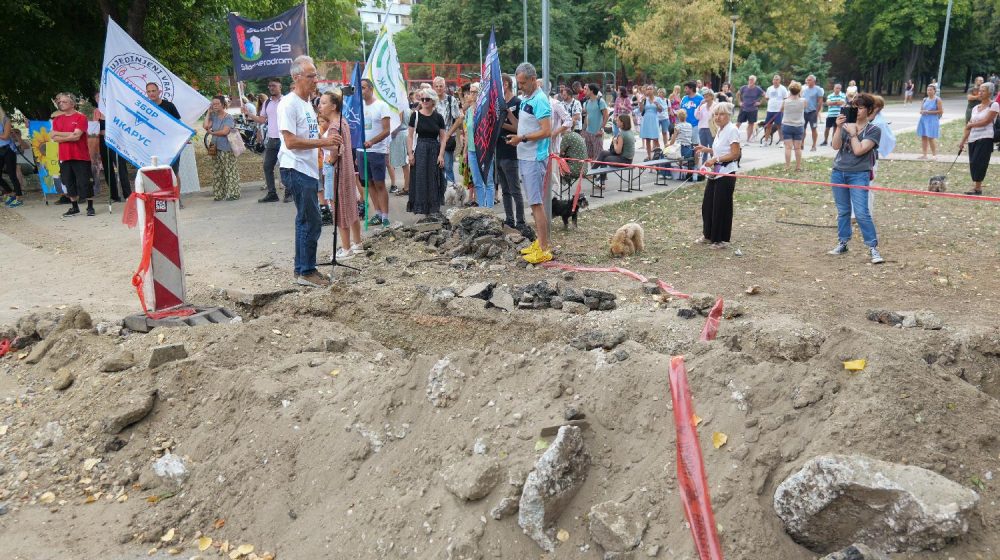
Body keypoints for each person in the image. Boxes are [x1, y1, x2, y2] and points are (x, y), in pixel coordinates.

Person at [278, 55, 339, 288]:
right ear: (296, 77)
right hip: (296, 167)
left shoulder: (306, 104)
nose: (316, 80)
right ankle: (307, 271)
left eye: (316, 75)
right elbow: (291, 141)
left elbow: (311, 137)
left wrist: (329, 143)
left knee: (305, 220)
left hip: (308, 169)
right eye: (311, 76)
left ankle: (301, 268)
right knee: (311, 221)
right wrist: (324, 143)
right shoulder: (289, 104)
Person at [828, 92, 884, 265]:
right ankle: (843, 242)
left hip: (859, 174)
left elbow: (859, 150)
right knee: (843, 211)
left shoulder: (874, 130)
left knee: (861, 212)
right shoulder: (846, 125)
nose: (856, 111)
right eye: (853, 107)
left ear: (869, 110)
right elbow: (835, 146)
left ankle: (873, 247)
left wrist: (853, 134)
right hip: (839, 172)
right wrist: (839, 128)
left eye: (860, 108)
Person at [507, 63, 553, 264]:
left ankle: (543, 248)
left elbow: (546, 131)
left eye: (523, 83)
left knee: (536, 204)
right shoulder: (527, 98)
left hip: (535, 158)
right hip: (525, 156)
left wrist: (522, 138)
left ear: (533, 79)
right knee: (533, 203)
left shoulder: (540, 100)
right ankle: (539, 242)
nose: (520, 87)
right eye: (518, 83)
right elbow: (523, 126)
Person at [317, 90, 363, 259]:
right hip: (348, 170)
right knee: (351, 207)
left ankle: (346, 248)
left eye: (323, 103)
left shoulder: (334, 127)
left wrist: (329, 158)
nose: (320, 106)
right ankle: (357, 243)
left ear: (334, 106)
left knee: (340, 209)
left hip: (339, 172)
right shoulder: (342, 121)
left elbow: (335, 150)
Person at [694, 102, 741, 249]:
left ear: (728, 115)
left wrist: (715, 159)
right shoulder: (720, 130)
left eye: (721, 114)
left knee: (721, 207)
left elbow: (735, 153)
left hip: (726, 173)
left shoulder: (732, 130)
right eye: (715, 114)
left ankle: (719, 240)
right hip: (716, 172)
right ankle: (708, 235)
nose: (717, 117)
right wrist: (707, 149)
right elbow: (720, 150)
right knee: (708, 205)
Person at [50, 93, 95, 217]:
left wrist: (60, 134)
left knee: (85, 182)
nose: (61, 104)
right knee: (68, 182)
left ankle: (90, 207)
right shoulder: (57, 119)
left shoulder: (81, 117)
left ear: (72, 104)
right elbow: (54, 137)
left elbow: (77, 136)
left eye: (64, 102)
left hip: (80, 155)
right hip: (64, 156)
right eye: (59, 102)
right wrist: (70, 135)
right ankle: (74, 207)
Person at [406, 87, 447, 219]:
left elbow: (443, 138)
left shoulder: (438, 117)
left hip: (434, 150)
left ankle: (433, 209)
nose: (424, 101)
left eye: (427, 99)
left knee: (434, 179)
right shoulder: (415, 115)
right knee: (421, 179)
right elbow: (410, 136)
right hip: (420, 150)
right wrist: (410, 154)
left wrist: (441, 155)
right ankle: (423, 209)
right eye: (422, 99)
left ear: (433, 101)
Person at [357, 78, 393, 226]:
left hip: (377, 151)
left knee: (379, 184)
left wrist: (372, 142)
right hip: (361, 151)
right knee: (369, 183)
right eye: (359, 88)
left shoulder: (381, 106)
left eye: (363, 87)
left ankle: (385, 216)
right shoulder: (358, 107)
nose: (361, 91)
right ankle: (377, 213)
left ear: (371, 89)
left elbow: (386, 130)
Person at [246, 79, 285, 203]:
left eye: (274, 85)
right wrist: (249, 114)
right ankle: (272, 193)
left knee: (286, 167)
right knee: (267, 166)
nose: (271, 88)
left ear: (280, 86)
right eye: (269, 86)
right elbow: (262, 120)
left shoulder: (286, 101)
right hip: (272, 139)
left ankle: (289, 192)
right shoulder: (267, 103)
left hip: (285, 139)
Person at [958, 82, 999, 196]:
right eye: (979, 90)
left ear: (990, 92)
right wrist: (963, 141)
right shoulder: (975, 108)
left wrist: (971, 125)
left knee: (980, 162)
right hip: (973, 138)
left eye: (983, 91)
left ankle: (977, 188)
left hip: (986, 137)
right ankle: (976, 186)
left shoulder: (994, 105)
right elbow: (968, 126)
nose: (980, 93)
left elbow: (986, 121)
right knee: (973, 162)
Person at [497, 74, 526, 232]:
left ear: (506, 84)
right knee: (505, 191)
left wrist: (501, 124)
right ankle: (509, 219)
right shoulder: (498, 103)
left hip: (511, 152)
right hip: (499, 151)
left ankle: (520, 221)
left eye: (499, 85)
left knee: (515, 190)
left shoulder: (517, 103)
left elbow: (519, 128)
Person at [202, 95, 240, 201]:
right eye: (213, 104)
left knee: (229, 170)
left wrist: (212, 133)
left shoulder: (228, 117)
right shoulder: (213, 116)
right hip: (214, 147)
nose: (215, 106)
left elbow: (225, 131)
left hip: (226, 147)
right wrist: (208, 113)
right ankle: (219, 194)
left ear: (223, 105)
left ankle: (233, 193)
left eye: (217, 103)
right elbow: (206, 126)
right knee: (217, 171)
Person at [465, 82, 496, 208]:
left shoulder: (485, 110)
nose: (472, 94)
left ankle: (490, 210)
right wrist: (465, 151)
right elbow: (467, 132)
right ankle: (482, 208)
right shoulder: (468, 111)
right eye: (471, 92)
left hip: (484, 150)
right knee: (477, 182)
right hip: (472, 150)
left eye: (475, 92)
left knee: (488, 181)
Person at [433, 77, 461, 187]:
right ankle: (438, 192)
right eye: (436, 86)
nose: (439, 88)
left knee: (448, 167)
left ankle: (451, 192)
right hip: (433, 139)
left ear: (444, 87)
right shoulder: (431, 100)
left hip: (448, 138)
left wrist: (448, 134)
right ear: (433, 87)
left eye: (441, 86)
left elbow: (458, 119)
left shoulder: (451, 100)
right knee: (435, 167)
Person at [595, 114, 635, 184]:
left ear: (622, 123)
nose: (616, 122)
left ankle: (601, 180)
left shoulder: (621, 134)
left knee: (605, 159)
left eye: (618, 121)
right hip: (628, 159)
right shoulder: (630, 132)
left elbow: (618, 151)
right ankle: (594, 171)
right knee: (603, 153)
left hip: (624, 160)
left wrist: (614, 142)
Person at [1, 104, 24, 207]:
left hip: (8, 149)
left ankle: (19, 197)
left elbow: (6, 136)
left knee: (12, 174)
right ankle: (11, 192)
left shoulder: (5, 120)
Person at [781, 81, 806, 172]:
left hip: (787, 125)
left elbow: (781, 110)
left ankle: (787, 166)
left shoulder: (785, 101)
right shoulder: (803, 101)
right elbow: (804, 107)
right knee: (797, 148)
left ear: (790, 90)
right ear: (799, 91)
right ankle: (798, 167)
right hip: (799, 126)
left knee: (788, 147)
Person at [388, 102, 411, 196]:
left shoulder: (400, 107)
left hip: (400, 135)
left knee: (404, 163)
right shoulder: (406, 107)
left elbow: (399, 122)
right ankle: (407, 186)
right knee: (404, 162)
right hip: (404, 133)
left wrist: (393, 133)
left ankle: (407, 187)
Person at [582, 84, 609, 159]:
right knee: (589, 156)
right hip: (588, 133)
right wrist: (584, 130)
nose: (585, 91)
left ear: (591, 91)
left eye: (587, 89)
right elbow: (587, 117)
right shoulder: (587, 102)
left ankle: (598, 167)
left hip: (597, 133)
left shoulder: (600, 101)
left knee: (598, 156)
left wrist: (601, 129)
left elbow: (606, 116)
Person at [666, 109, 694, 180]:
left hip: (681, 151)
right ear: (686, 116)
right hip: (689, 150)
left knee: (664, 154)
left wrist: (667, 145)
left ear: (678, 117)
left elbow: (672, 142)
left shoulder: (678, 127)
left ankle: (666, 174)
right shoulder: (690, 125)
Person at [917, 84, 943, 159]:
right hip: (923, 119)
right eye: (928, 90)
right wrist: (922, 111)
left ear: (934, 91)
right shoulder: (925, 99)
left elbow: (940, 111)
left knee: (931, 137)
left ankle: (934, 155)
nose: (929, 91)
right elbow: (921, 110)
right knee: (923, 137)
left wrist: (928, 112)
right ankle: (924, 154)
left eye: (931, 90)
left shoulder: (937, 99)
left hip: (932, 120)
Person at [801, 75, 825, 151]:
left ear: (814, 81)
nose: (808, 81)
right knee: (802, 128)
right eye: (807, 80)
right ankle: (801, 144)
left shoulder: (818, 89)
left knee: (813, 129)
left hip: (813, 112)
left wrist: (817, 112)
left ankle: (814, 145)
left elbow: (820, 102)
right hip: (804, 112)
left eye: (809, 80)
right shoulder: (804, 90)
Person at [763, 74, 788, 146]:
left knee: (779, 126)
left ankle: (782, 142)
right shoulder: (769, 88)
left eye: (777, 80)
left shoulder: (783, 88)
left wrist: (782, 108)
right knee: (768, 126)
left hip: (779, 111)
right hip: (770, 110)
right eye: (774, 79)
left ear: (779, 81)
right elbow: (767, 97)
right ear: (772, 80)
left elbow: (786, 99)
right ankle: (766, 141)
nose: (775, 81)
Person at [639, 85, 662, 157]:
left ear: (653, 90)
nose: (649, 90)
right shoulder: (645, 99)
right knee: (647, 139)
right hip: (646, 119)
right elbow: (641, 110)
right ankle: (649, 156)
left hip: (654, 119)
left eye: (650, 89)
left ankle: (658, 155)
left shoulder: (657, 99)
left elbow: (660, 110)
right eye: (647, 89)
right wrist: (641, 102)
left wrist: (657, 104)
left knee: (655, 138)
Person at [694, 91, 716, 170]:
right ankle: (704, 165)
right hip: (702, 128)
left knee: (712, 147)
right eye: (704, 96)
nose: (705, 98)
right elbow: (697, 116)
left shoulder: (715, 105)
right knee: (703, 148)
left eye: (707, 96)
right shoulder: (702, 106)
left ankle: (714, 164)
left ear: (712, 97)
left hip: (711, 128)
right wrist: (700, 105)